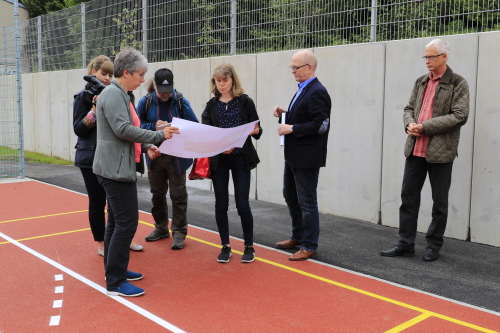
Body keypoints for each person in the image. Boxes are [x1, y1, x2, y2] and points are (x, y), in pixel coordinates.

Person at [93, 48, 180, 297]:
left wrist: (147, 146)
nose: (144, 80)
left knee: (116, 223)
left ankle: (114, 272)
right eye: (141, 74)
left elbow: (122, 133)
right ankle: (116, 281)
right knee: (126, 223)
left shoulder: (121, 94)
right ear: (127, 72)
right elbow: (122, 129)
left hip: (115, 167)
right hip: (114, 170)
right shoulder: (112, 94)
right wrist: (157, 136)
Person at [380, 39, 470, 262]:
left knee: (439, 202)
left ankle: (433, 245)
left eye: (431, 56)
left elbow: (460, 116)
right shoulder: (420, 82)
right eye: (426, 57)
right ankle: (405, 243)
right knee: (408, 198)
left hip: (441, 153)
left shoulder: (458, 83)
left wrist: (425, 126)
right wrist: (409, 124)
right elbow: (409, 108)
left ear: (444, 57)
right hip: (414, 150)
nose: (427, 61)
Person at [72, 55, 143, 256]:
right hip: (90, 157)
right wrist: (94, 111)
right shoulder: (82, 97)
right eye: (103, 73)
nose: (107, 78)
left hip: (113, 156)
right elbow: (78, 129)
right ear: (93, 72)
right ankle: (102, 244)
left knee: (116, 203)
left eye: (111, 74)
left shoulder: (120, 95)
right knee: (97, 202)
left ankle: (121, 240)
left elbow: (128, 125)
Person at [273, 49, 331, 261]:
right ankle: (297, 237)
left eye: (296, 67)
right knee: (290, 195)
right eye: (291, 67)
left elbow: (321, 125)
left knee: (307, 202)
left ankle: (309, 245)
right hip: (294, 154)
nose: (293, 71)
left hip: (306, 157)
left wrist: (292, 128)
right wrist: (284, 114)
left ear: (309, 67)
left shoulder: (317, 91)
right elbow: (304, 116)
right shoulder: (303, 89)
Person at [202, 63, 262, 263]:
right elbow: (206, 134)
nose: (221, 84)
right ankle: (225, 246)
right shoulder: (211, 105)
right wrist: (220, 146)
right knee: (221, 203)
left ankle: (249, 246)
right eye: (218, 81)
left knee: (242, 203)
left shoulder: (245, 102)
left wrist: (256, 130)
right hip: (220, 160)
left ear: (232, 80)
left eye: (225, 80)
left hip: (241, 159)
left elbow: (257, 129)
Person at [137, 69, 199, 250]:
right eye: (161, 89)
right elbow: (135, 124)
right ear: (154, 85)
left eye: (168, 89)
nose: (165, 93)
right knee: (157, 195)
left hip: (177, 158)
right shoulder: (146, 102)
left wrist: (176, 126)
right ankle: (160, 227)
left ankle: (179, 232)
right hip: (154, 155)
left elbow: (193, 125)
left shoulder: (180, 101)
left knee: (178, 196)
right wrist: (153, 126)